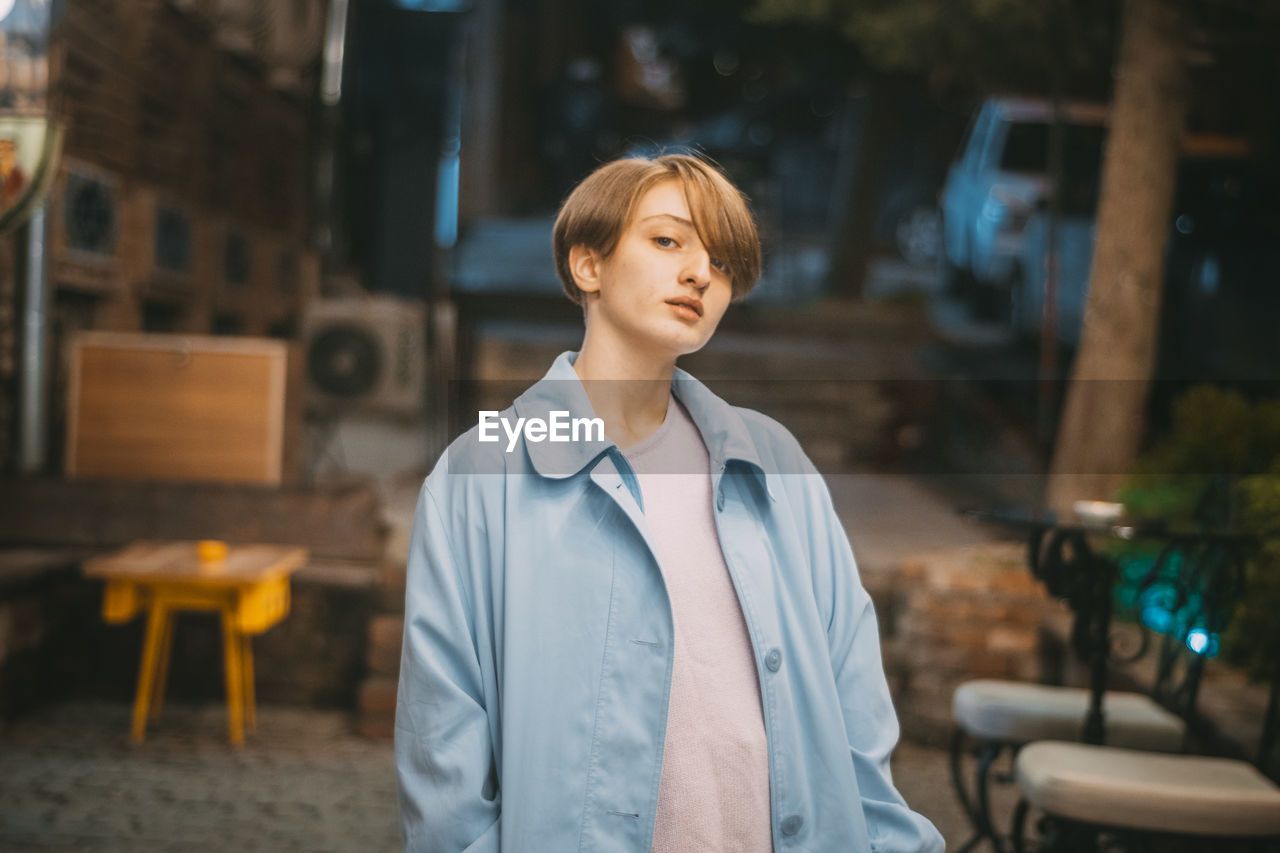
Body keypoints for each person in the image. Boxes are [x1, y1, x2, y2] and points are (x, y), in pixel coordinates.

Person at [395, 153, 943, 852]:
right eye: (667, 241)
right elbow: (441, 741)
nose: (699, 274)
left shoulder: (772, 459)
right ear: (587, 266)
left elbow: (854, 696)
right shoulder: (483, 473)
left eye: (720, 262)